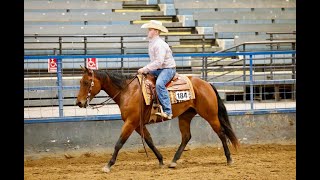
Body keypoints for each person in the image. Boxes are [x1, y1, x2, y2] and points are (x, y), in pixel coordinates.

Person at [138, 20, 176, 120]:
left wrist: (145, 68)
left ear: (156, 31)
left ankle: (168, 111)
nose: (148, 31)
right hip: (159, 68)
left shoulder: (159, 44)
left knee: (159, 84)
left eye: (150, 29)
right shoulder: (153, 43)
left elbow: (159, 62)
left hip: (168, 69)